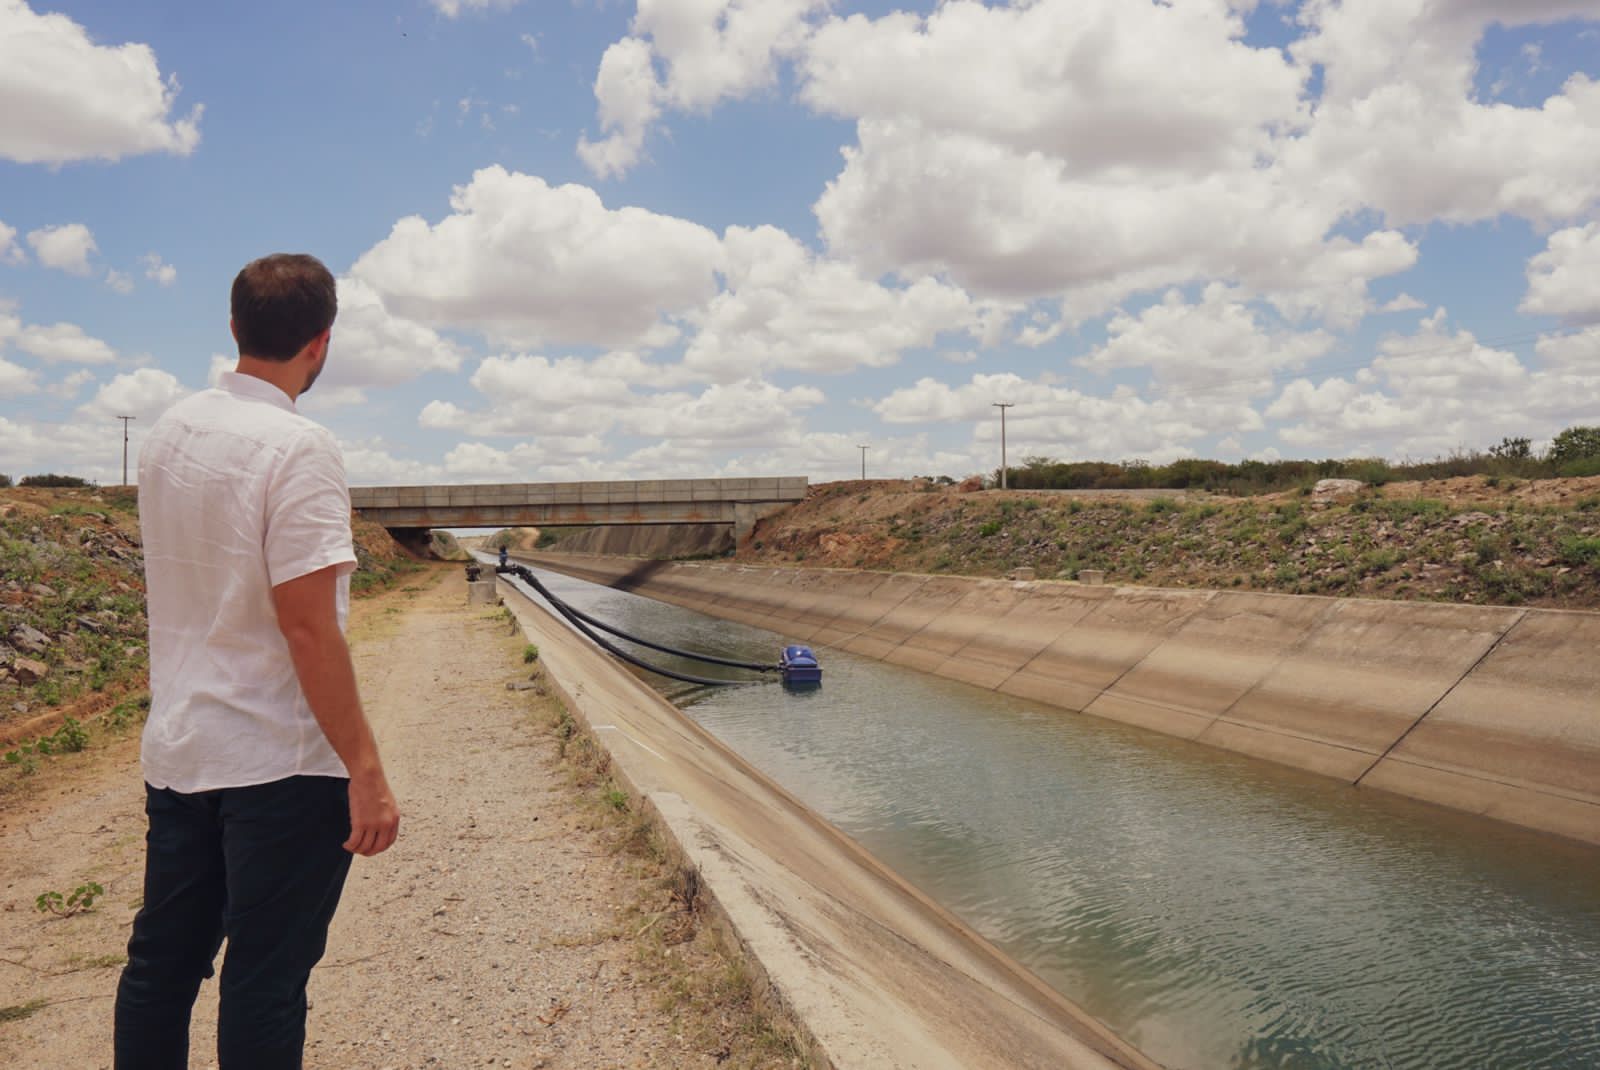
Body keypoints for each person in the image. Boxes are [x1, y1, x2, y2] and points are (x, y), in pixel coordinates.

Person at [115, 253, 401, 1069]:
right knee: (266, 980)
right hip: (280, 763)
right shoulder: (299, 448)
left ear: (235, 327)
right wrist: (366, 770)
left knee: (161, 967)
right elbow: (308, 630)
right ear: (322, 342)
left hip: (181, 749)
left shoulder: (169, 433)